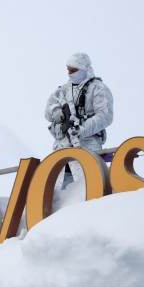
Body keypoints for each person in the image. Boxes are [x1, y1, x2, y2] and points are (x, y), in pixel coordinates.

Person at [44, 53, 114, 187]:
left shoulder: (98, 88)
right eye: (68, 69)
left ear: (84, 68)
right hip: (62, 148)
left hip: (87, 145)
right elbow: (47, 113)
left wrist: (82, 130)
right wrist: (55, 110)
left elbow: (105, 116)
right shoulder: (62, 90)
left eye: (73, 70)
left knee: (89, 187)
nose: (69, 73)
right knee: (58, 194)